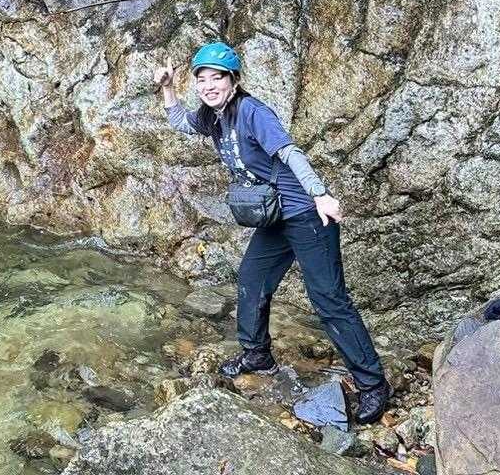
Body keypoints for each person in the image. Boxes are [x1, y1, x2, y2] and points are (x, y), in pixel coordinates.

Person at [157, 41, 391, 424]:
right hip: (276, 219)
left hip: (308, 215)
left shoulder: (253, 112)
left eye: (217, 78)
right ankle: (257, 355)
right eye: (202, 79)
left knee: (329, 300)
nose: (208, 86)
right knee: (252, 279)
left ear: (233, 80)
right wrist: (167, 88)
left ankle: (373, 384)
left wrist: (320, 194)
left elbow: (289, 152)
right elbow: (182, 123)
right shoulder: (214, 115)